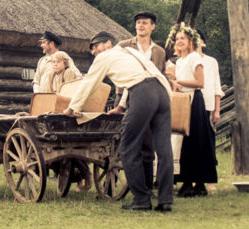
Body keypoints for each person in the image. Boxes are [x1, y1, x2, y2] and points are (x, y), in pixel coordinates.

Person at [65, 32, 175, 212]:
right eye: (92, 49)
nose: (94, 51)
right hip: (163, 93)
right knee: (164, 149)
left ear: (108, 43)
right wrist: (121, 106)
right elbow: (137, 79)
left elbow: (89, 83)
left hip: (143, 93)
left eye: (96, 46)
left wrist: (72, 108)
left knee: (128, 147)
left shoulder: (105, 57)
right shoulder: (131, 52)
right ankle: (165, 201)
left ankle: (141, 200)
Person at [117, 12, 168, 191]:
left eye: (145, 23)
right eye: (138, 22)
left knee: (147, 143)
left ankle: (147, 187)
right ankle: (119, 187)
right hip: (127, 97)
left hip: (150, 100)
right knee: (125, 142)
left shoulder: (159, 52)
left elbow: (161, 76)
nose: (140, 25)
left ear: (152, 26)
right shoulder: (123, 46)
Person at [166, 23, 217, 197]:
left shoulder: (195, 57)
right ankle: (188, 182)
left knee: (196, 141)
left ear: (190, 42)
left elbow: (200, 83)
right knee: (184, 143)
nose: (179, 41)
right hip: (183, 101)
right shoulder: (180, 61)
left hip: (194, 101)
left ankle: (198, 184)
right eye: (177, 39)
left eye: (183, 39)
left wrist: (178, 81)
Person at [197, 30, 224, 126]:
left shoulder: (211, 62)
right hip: (190, 106)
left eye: (196, 38)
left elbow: (217, 87)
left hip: (208, 105)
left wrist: (217, 110)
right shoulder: (182, 61)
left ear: (202, 41)